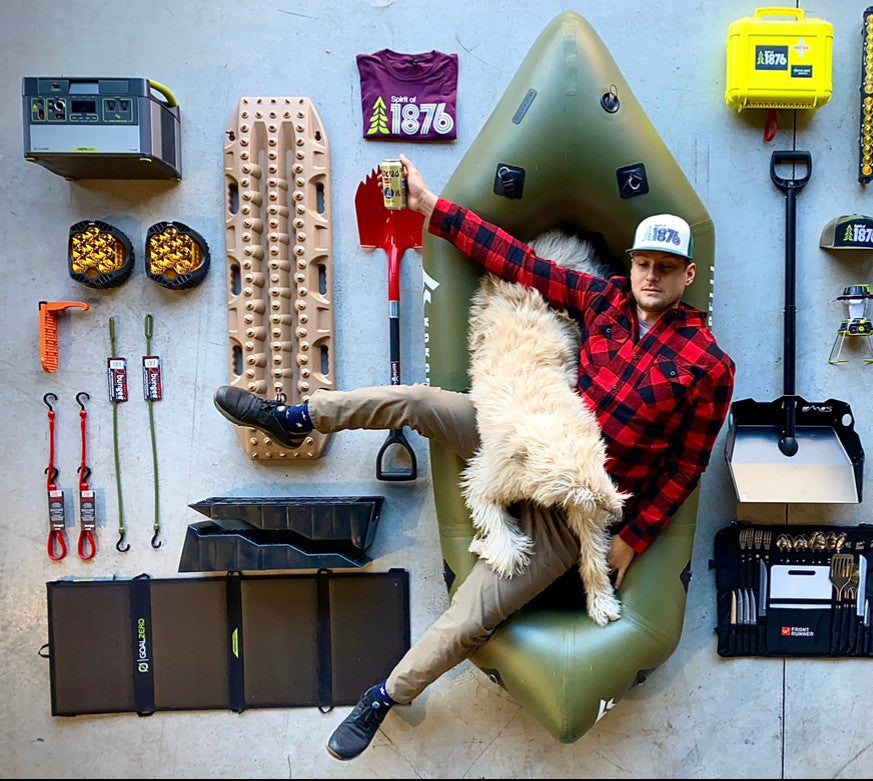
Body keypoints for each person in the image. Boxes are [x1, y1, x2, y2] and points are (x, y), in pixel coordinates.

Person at [213, 154, 736, 760]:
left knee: (472, 614)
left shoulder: (708, 365)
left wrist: (632, 540)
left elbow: (687, 467)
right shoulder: (605, 300)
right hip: (523, 439)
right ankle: (295, 419)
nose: (652, 276)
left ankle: (384, 696)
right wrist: (429, 206)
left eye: (666, 268)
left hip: (572, 513)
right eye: (644, 263)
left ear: (688, 274)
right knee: (419, 401)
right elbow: (520, 263)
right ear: (632, 263)